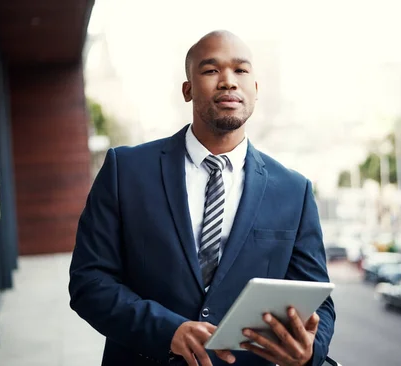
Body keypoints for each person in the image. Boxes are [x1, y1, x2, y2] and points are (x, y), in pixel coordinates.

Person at [69, 30, 335, 366]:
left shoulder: (294, 190)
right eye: (211, 71)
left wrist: (311, 351)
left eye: (241, 71)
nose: (228, 81)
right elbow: (88, 281)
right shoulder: (126, 171)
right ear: (187, 89)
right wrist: (168, 331)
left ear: (256, 89)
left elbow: (319, 301)